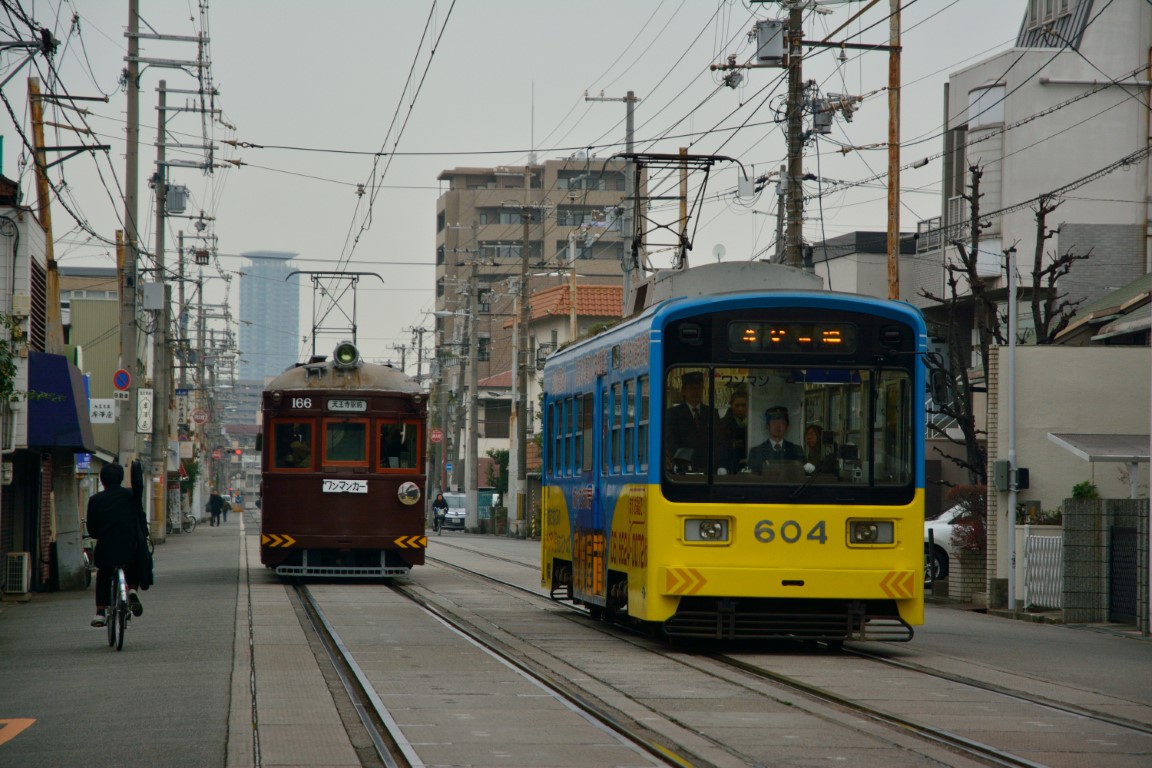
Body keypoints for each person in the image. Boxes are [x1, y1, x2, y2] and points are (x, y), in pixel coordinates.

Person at [86, 462, 148, 627]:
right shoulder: (131, 496)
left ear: (102, 480)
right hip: (129, 547)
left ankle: (100, 612)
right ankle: (133, 590)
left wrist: (99, 534)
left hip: (106, 548)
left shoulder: (95, 500)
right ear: (121, 479)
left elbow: (92, 529)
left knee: (103, 574)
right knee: (133, 564)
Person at [665, 371, 713, 473]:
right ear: (683, 391)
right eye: (692, 388)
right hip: (683, 468)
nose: (696, 392)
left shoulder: (711, 412)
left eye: (698, 388)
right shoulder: (673, 414)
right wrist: (680, 463)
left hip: (708, 468)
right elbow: (671, 441)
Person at [747, 405, 805, 470]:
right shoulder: (756, 451)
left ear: (787, 427)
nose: (778, 426)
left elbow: (802, 473)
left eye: (782, 423)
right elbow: (753, 476)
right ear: (767, 426)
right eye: (774, 423)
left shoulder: (796, 450)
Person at [714, 386, 750, 473]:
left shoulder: (752, 423)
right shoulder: (723, 424)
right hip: (730, 466)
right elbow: (719, 447)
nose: (740, 409)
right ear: (731, 405)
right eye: (737, 405)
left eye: (743, 405)